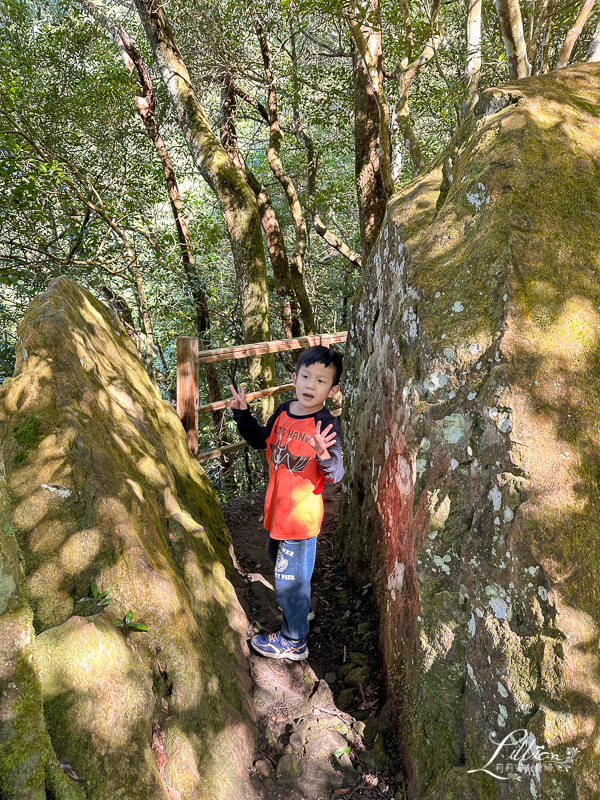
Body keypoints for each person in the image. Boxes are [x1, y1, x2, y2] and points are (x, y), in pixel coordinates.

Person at [229, 345, 345, 660]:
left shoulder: (326, 425)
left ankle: (294, 640)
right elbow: (260, 440)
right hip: (277, 509)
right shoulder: (283, 410)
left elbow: (336, 473)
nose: (311, 385)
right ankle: (300, 609)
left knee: (288, 578)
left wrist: (322, 453)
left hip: (300, 517)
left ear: (332, 390)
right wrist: (242, 415)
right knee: (275, 556)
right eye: (306, 377)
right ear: (294, 378)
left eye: (321, 381)